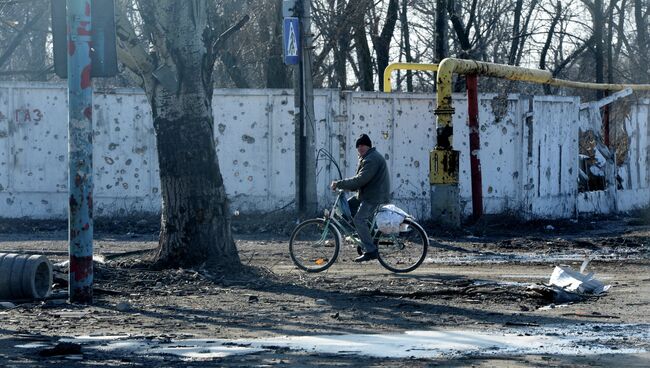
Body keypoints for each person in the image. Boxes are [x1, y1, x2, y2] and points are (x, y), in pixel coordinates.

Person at [330, 134, 390, 262]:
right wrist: (346, 186)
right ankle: (365, 234)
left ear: (369, 146)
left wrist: (339, 183)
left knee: (359, 220)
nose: (360, 148)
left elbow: (360, 180)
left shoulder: (371, 159)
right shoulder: (366, 157)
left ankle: (371, 250)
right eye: (358, 146)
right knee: (349, 205)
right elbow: (360, 182)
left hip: (375, 196)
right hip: (369, 193)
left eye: (363, 145)